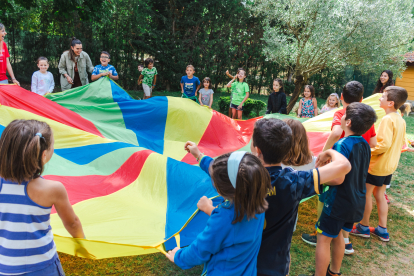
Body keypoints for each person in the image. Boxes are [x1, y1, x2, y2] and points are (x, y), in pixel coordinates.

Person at [249, 118, 351, 276]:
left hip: (251, 236)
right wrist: (329, 152)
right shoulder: (297, 178)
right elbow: (342, 171)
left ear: (258, 149)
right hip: (281, 240)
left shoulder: (249, 174)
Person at [166, 142, 271, 275]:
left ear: (223, 189)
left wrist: (178, 256)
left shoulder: (223, 218)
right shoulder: (256, 200)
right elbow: (222, 171)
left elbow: (201, 249)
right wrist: (199, 156)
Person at [300, 102, 377, 276]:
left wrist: (318, 177)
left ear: (347, 122)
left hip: (338, 202)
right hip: (356, 201)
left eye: (343, 115)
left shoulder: (341, 145)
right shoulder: (365, 144)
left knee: (323, 239)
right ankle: (334, 272)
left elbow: (337, 178)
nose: (341, 117)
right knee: (339, 236)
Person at [0, 119, 86, 275]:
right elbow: (72, 222)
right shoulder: (52, 189)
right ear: (44, 154)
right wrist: (82, 242)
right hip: (42, 267)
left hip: (5, 266)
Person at [351, 86, 408, 242]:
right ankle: (382, 229)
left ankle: (363, 227)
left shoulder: (387, 119)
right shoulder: (400, 119)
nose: (379, 99)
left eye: (383, 97)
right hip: (389, 166)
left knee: (366, 194)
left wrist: (366, 150)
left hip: (377, 167)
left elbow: (383, 144)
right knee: (380, 195)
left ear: (390, 103)